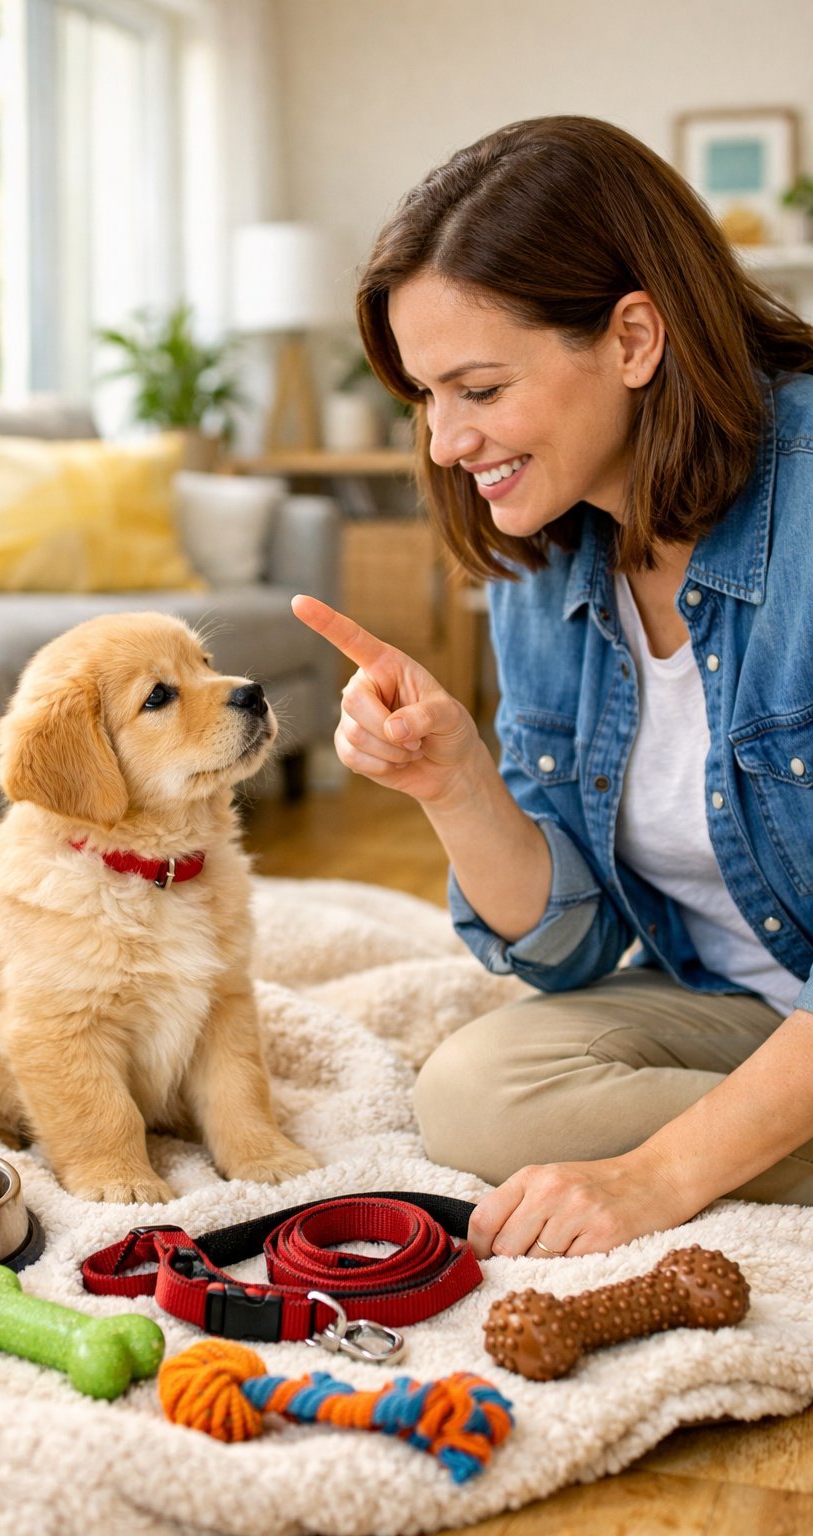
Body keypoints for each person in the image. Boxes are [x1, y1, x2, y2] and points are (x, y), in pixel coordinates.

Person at [291, 115, 813, 1262]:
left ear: (632, 337)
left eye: (476, 387)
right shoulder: (551, 546)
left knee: (561, 1130)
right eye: (425, 397)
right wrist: (456, 783)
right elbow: (576, 955)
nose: (442, 443)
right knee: (475, 1091)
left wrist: (653, 1178)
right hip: (757, 1015)